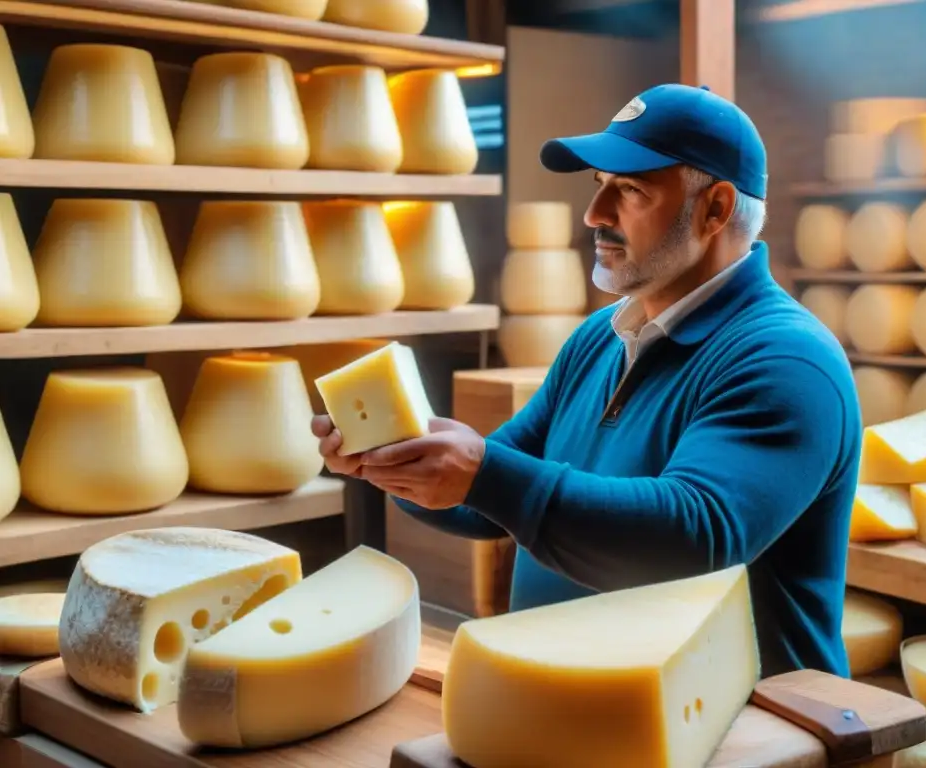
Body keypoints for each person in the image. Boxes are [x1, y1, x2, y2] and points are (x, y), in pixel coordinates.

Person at [312, 83, 862, 678]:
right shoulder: (600, 338)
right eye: (598, 185)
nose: (594, 216)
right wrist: (395, 459)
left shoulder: (784, 359)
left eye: (629, 190)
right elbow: (486, 501)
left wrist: (484, 475)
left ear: (716, 209)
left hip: (745, 734)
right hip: (578, 710)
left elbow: (697, 536)